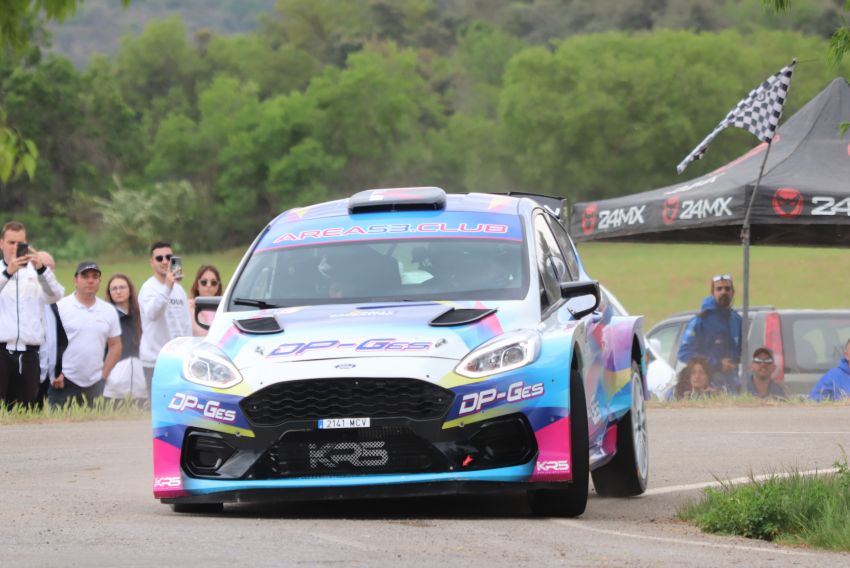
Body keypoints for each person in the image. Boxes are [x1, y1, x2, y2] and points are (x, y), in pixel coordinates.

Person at [0, 221, 65, 408]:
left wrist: (42, 269)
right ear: (1, 244)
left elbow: (55, 295)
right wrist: (7, 273)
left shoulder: (36, 273)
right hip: (2, 351)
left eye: (19, 243)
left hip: (29, 353)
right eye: (11, 243)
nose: (15, 248)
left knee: (25, 408)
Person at [49, 261, 122, 408]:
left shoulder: (108, 310)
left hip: (95, 383)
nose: (90, 280)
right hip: (64, 381)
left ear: (99, 281)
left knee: (93, 429)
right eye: (85, 276)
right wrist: (54, 373)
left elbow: (115, 345)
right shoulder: (61, 307)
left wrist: (103, 376)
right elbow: (49, 343)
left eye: (95, 277)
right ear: (76, 280)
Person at [139, 241, 191, 395]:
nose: (164, 261)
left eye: (168, 257)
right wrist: (167, 287)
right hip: (156, 360)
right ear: (152, 262)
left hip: (179, 359)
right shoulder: (148, 288)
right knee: (158, 407)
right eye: (159, 258)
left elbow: (185, 323)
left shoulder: (179, 289)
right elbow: (152, 314)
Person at [677, 274, 742, 393]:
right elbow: (684, 353)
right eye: (719, 289)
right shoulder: (701, 321)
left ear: (733, 292)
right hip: (708, 388)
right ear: (712, 293)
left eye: (727, 289)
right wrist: (716, 363)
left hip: (733, 386)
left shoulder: (737, 320)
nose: (724, 292)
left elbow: (741, 353)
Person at [103, 273, 146, 402]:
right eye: (114, 289)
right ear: (109, 293)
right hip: (114, 384)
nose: (118, 291)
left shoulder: (141, 316)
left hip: (141, 382)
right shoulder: (106, 317)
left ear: (130, 290)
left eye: (122, 287)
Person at [37, 253, 67, 409]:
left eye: (50, 267)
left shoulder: (62, 303)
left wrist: (61, 370)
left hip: (52, 373)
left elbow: (65, 340)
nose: (46, 270)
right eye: (42, 266)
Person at [188, 264, 222, 336]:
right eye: (204, 282)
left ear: (218, 286)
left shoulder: (223, 307)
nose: (208, 285)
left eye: (213, 283)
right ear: (197, 285)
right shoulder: (188, 306)